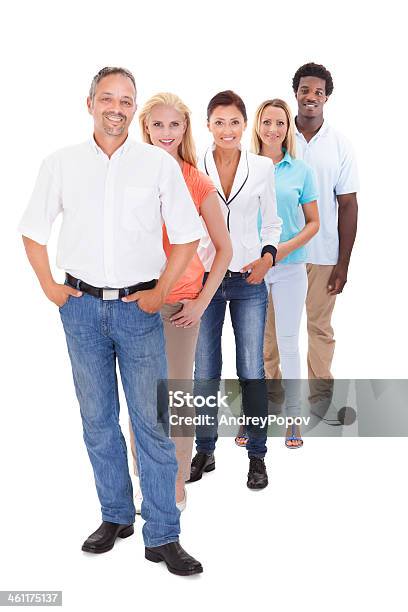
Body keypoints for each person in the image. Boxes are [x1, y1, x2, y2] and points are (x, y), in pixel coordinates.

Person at [18, 67, 206, 576]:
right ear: (90, 103)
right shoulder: (61, 163)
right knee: (98, 421)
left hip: (138, 309)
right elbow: (33, 232)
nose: (117, 107)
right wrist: (50, 289)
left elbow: (188, 237)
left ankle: (163, 535)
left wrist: (161, 292)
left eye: (126, 99)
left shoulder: (157, 165)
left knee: (152, 425)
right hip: (79, 309)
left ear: (134, 107)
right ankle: (115, 516)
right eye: (108, 98)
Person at [129, 92, 232, 511]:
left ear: (185, 129)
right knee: (139, 399)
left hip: (179, 308)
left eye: (175, 125)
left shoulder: (197, 182)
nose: (166, 133)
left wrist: (203, 301)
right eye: (158, 125)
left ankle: (175, 486)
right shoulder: (132, 177)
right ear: (146, 128)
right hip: (135, 302)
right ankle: (146, 483)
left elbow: (224, 249)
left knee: (174, 400)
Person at [189, 90, 282, 490]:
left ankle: (257, 456)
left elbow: (273, 223)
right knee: (205, 371)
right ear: (207, 125)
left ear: (245, 126)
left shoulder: (262, 167)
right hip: (205, 280)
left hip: (248, 280)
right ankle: (205, 449)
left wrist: (267, 257)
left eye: (235, 123)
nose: (227, 130)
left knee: (252, 370)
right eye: (219, 122)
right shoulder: (193, 166)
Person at [264, 63, 359, 423]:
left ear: (327, 97)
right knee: (269, 331)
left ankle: (319, 403)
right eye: (306, 90)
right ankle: (272, 401)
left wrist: (343, 263)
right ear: (296, 93)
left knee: (319, 328)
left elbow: (348, 204)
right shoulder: (274, 139)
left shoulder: (339, 145)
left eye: (319, 92)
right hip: (278, 256)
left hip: (322, 255)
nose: (311, 97)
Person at [251, 98, 319, 447]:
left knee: (289, 343)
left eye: (280, 122)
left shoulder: (301, 171)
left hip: (290, 267)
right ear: (257, 126)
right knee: (254, 348)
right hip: (251, 269)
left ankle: (293, 418)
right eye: (267, 122)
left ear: (288, 128)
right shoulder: (245, 165)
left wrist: (282, 250)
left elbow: (313, 224)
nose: (273, 129)